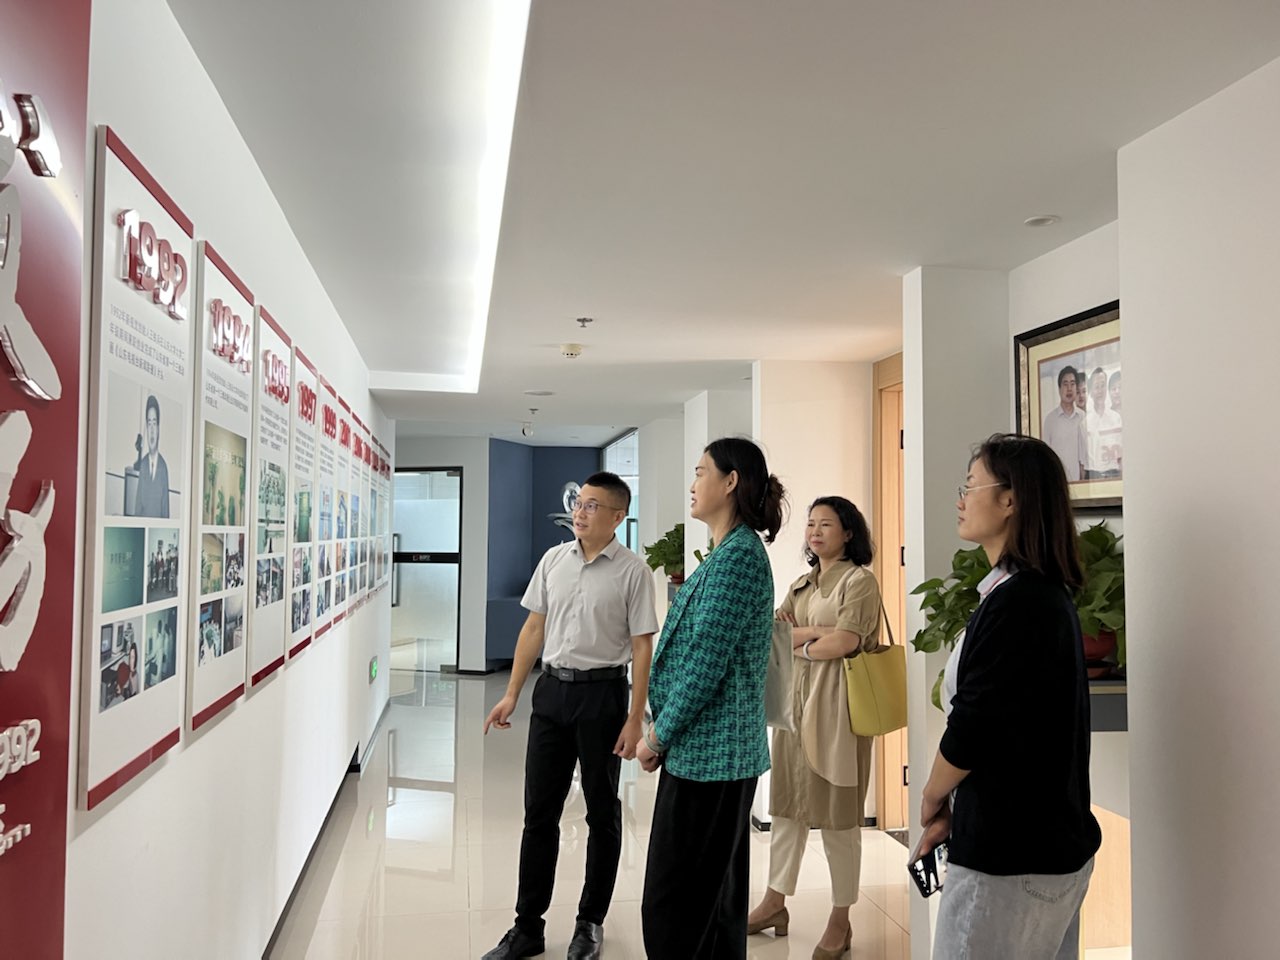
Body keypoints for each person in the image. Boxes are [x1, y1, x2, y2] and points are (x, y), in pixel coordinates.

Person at [916, 434, 1102, 959]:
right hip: (1042, 849)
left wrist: (932, 796)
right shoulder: (1035, 593)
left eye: (970, 486)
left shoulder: (1020, 602)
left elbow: (973, 727)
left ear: (1010, 500)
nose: (960, 499)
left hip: (1010, 860)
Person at [481, 471, 657, 960]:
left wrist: (635, 717)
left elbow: (643, 646)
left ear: (618, 517)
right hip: (552, 694)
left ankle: (589, 923)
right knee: (539, 814)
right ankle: (527, 926)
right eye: (580, 503)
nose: (580, 511)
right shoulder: (553, 560)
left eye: (592, 505)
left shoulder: (633, 572)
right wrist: (512, 693)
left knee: (602, 812)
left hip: (603, 697)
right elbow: (533, 629)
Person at [638, 437, 784, 959]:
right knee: (712, 901)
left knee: (675, 904)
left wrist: (657, 735)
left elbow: (705, 663)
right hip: (705, 754)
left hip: (712, 758)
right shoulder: (726, 552)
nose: (693, 483)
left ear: (731, 482)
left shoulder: (738, 557)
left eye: (702, 472)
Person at [747, 496, 881, 959]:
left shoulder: (859, 582)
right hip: (794, 709)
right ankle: (774, 903)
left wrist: (801, 640)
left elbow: (845, 642)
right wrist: (814, 635)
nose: (815, 532)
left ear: (848, 533)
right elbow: (771, 633)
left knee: (839, 822)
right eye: (810, 524)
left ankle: (841, 920)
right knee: (787, 811)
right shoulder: (802, 584)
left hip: (837, 713)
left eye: (826, 524)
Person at [1041, 366, 1085, 481]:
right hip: (1056, 482)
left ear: (1076, 388)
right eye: (1065, 384)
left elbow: (1084, 458)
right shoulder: (1050, 420)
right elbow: (1045, 456)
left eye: (1072, 384)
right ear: (1059, 389)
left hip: (1079, 483)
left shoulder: (1083, 417)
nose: (1069, 388)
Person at [133, 394, 170, 517]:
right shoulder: (143, 465)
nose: (152, 430)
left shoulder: (163, 467)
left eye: (154, 423)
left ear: (158, 429)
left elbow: (165, 511)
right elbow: (138, 508)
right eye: (149, 424)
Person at [1084, 366, 1122, 479]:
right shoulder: (1084, 423)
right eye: (1097, 387)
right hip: (1092, 476)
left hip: (1114, 474)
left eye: (1103, 385)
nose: (1100, 390)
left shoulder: (1116, 418)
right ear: (1091, 392)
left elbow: (1121, 456)